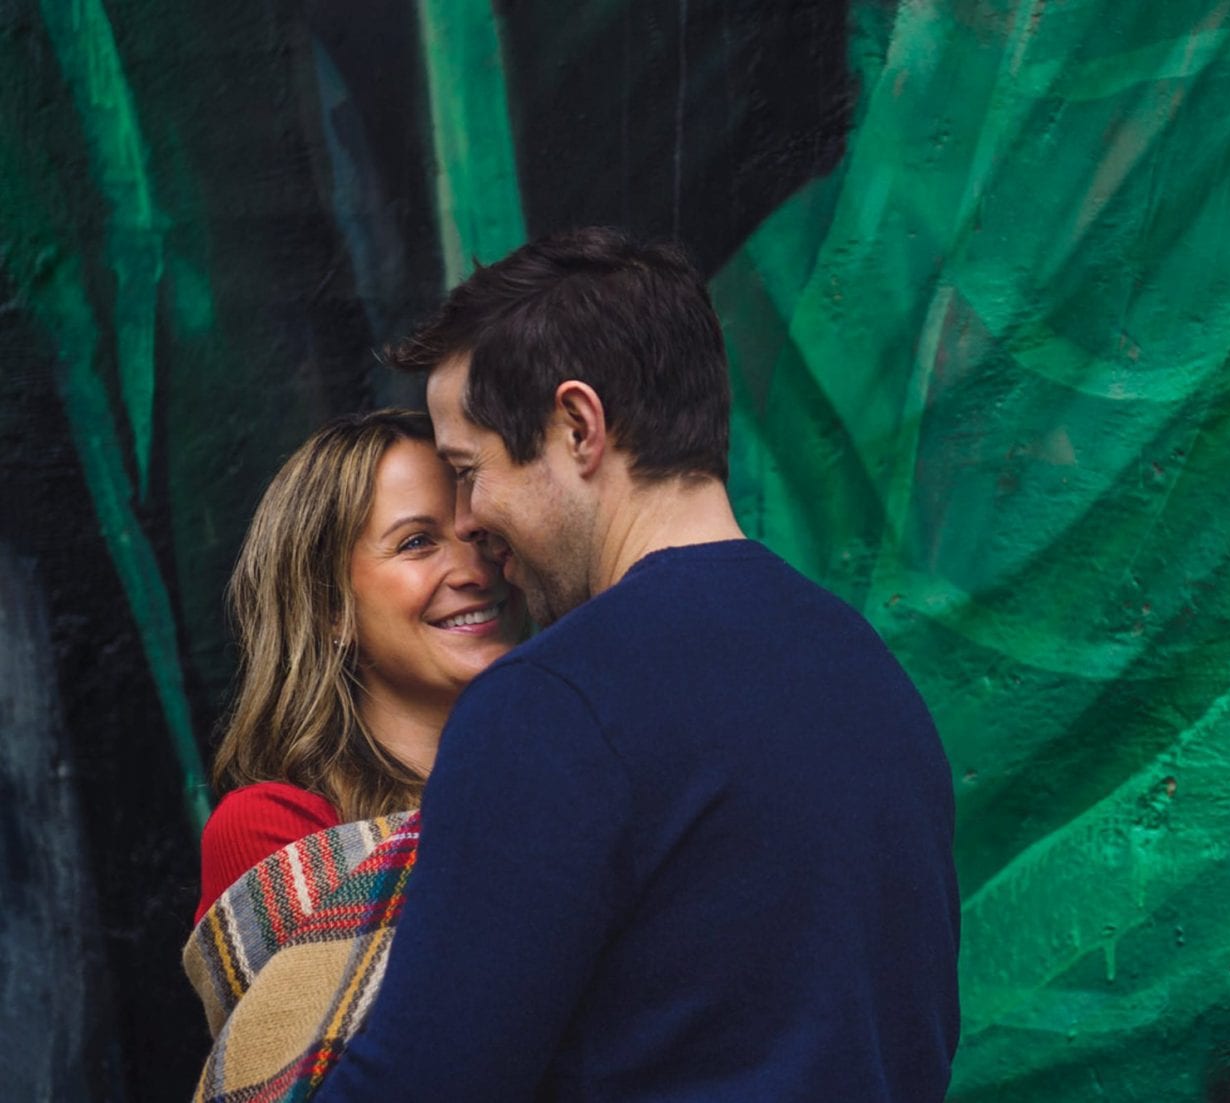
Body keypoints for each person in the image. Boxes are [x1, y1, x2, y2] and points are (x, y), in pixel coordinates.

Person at [313, 228, 960, 1102]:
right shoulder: (874, 681)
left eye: (469, 470)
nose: (468, 519)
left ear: (578, 426)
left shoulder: (553, 705)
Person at [193, 409, 528, 924]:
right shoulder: (273, 828)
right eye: (417, 542)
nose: (474, 570)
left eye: (480, 534)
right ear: (331, 608)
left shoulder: (574, 759)